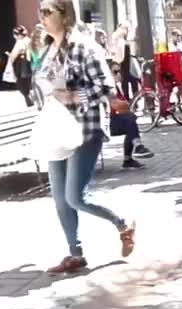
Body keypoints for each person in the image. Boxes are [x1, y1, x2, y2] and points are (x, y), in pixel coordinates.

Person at [35, 0, 135, 274]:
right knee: (59, 198)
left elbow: (106, 86)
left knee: (75, 197)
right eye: (40, 11)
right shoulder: (48, 50)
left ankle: (122, 223)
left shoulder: (83, 46)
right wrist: (52, 93)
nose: (41, 17)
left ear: (65, 15)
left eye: (47, 12)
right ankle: (75, 253)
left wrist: (75, 97)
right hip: (57, 131)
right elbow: (42, 82)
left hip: (84, 130)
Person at [108, 62, 154, 168]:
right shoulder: (108, 88)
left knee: (130, 120)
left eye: (119, 72)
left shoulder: (117, 88)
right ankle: (137, 147)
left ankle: (129, 158)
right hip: (105, 123)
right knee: (130, 120)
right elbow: (119, 106)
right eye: (115, 72)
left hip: (113, 120)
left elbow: (124, 107)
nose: (119, 75)